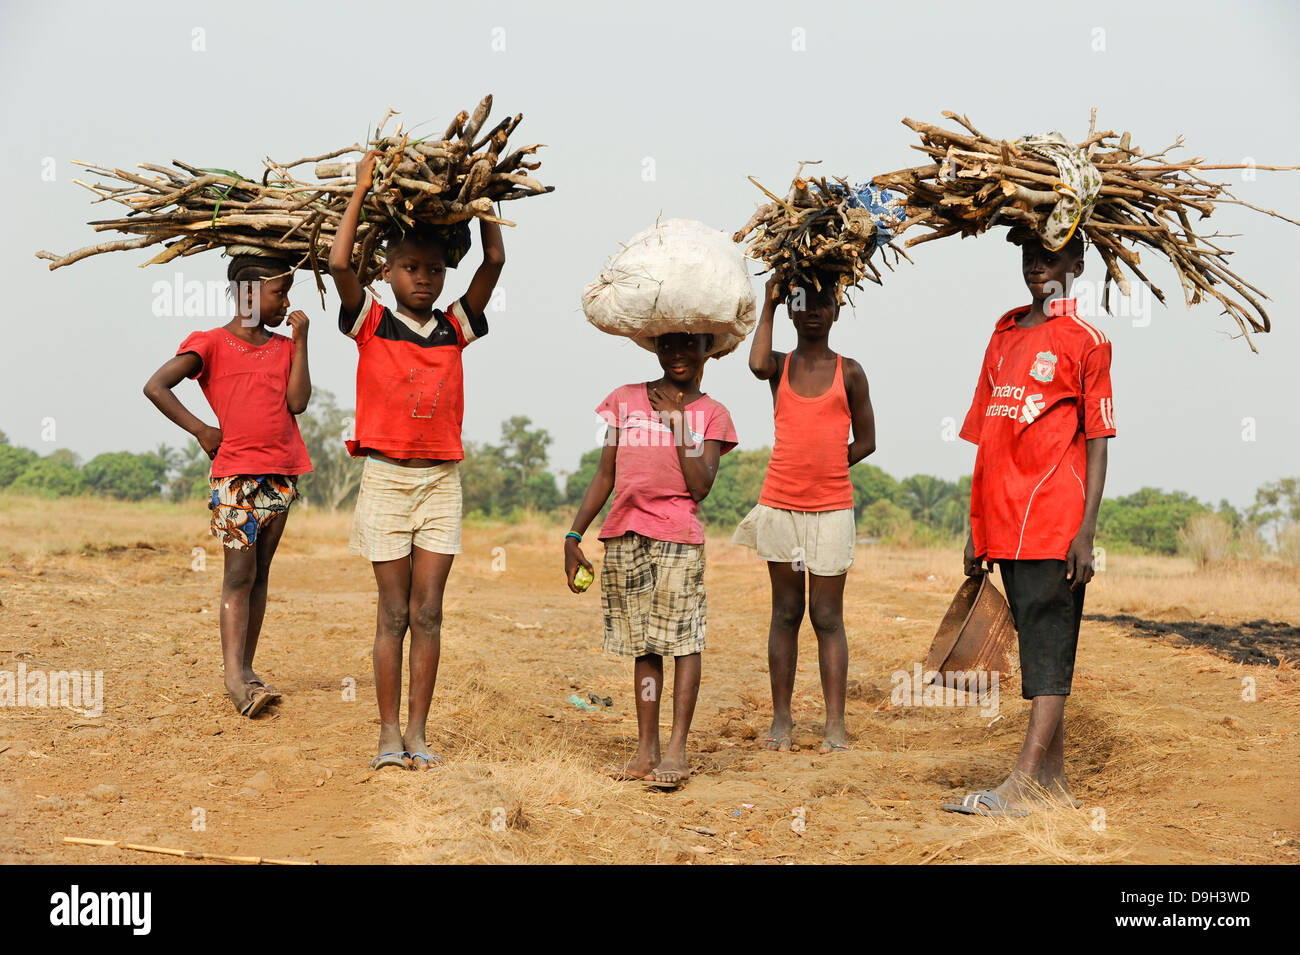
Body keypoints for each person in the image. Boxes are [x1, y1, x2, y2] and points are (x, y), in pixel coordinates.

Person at [328, 151, 503, 772]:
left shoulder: (456, 326)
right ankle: (386, 735)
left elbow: (496, 260)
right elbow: (339, 262)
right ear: (390, 271)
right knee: (394, 611)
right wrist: (361, 190)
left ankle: (419, 734)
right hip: (384, 481)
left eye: (432, 269)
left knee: (429, 612)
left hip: (440, 483)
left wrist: (485, 200)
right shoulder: (370, 321)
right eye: (409, 268)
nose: (423, 279)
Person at [942, 228, 1114, 817]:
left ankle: (1021, 783)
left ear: (1078, 263)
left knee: (1049, 646)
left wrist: (1086, 531)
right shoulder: (1004, 333)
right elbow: (988, 437)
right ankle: (1054, 785)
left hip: (1053, 523)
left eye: (1051, 256)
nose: (1037, 266)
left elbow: (1097, 441)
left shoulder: (1087, 341)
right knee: (1039, 646)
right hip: (1003, 520)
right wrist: (978, 522)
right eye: (1028, 255)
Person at [564, 332, 737, 788]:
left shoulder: (711, 414)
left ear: (708, 349)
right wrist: (574, 532)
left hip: (678, 534)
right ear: (654, 349)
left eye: (687, 346)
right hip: (624, 531)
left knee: (683, 641)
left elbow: (701, 484)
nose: (676, 355)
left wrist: (679, 422)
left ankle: (676, 751)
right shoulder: (624, 400)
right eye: (666, 346)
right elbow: (606, 473)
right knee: (644, 644)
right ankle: (646, 750)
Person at [144, 254, 312, 717]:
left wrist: (301, 341)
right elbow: (156, 385)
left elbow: (297, 402)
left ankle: (248, 669)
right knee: (238, 575)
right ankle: (234, 678)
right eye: (280, 292)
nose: (286, 301)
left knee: (259, 575)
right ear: (249, 294)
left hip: (281, 471)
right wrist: (201, 429)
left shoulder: (284, 347)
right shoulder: (211, 343)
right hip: (235, 474)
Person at [735, 273, 876, 754]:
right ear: (793, 311)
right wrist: (770, 300)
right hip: (780, 507)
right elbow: (754, 364)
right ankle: (782, 721)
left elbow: (868, 440)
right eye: (803, 302)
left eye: (823, 303)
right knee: (787, 612)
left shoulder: (850, 371)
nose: (813, 310)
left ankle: (834, 725)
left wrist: (831, 467)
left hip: (831, 510)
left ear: (837, 311)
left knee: (827, 616)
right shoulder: (778, 365)